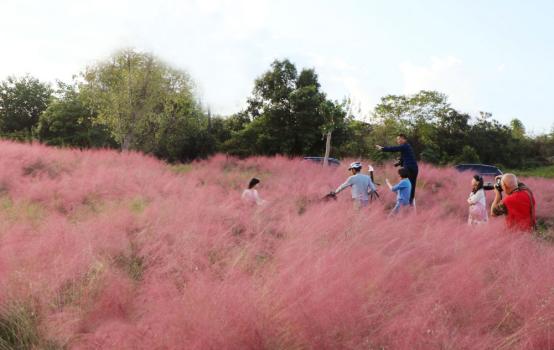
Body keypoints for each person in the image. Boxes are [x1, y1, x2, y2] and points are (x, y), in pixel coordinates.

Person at [376, 134, 418, 205]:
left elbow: (394, 149)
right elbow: (404, 158)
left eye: (399, 139)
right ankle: (411, 202)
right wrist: (397, 164)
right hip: (414, 168)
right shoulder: (406, 147)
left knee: (407, 185)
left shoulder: (405, 146)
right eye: (397, 139)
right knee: (411, 186)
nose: (397, 141)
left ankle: (406, 203)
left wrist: (382, 148)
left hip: (409, 169)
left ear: (403, 139)